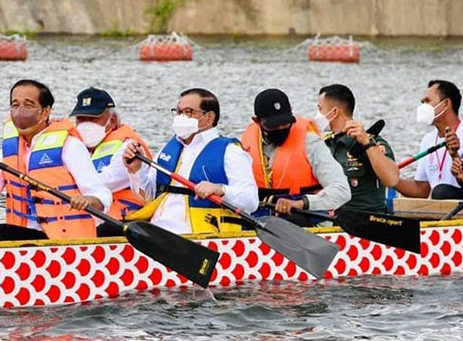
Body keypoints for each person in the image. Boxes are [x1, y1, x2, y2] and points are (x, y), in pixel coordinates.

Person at [0, 79, 112, 242]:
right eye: (15, 105)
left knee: (1, 233)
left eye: (28, 105)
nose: (20, 111)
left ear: (45, 112)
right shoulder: (10, 149)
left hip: (60, 241)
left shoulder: (69, 146)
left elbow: (102, 195)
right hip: (21, 236)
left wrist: (87, 200)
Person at [122, 88, 258, 235]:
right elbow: (148, 195)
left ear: (209, 117)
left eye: (189, 112)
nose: (181, 117)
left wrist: (220, 189)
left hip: (201, 237)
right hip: (158, 231)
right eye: (179, 112)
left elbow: (251, 201)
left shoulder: (231, 152)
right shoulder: (169, 149)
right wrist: (136, 170)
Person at [240, 88, 350, 219]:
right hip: (258, 216)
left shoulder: (310, 141)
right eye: (273, 125)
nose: (280, 128)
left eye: (285, 123)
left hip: (305, 217)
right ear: (257, 121)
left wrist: (301, 203)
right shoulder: (245, 143)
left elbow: (342, 190)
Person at [69, 87, 151, 228]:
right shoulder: (77, 148)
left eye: (93, 119)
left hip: (122, 223)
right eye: (81, 119)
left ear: (112, 121)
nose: (85, 125)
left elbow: (103, 182)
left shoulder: (129, 147)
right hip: (90, 220)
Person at [396, 80, 463, 200]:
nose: (423, 106)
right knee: (439, 192)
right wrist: (391, 178)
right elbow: (421, 190)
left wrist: (454, 155)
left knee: (441, 191)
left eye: (427, 101)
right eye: (422, 102)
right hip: (440, 204)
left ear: (446, 104)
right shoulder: (427, 140)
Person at [316, 84, 398, 213]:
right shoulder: (324, 144)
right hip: (331, 219)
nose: (317, 115)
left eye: (320, 109)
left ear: (335, 112)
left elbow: (392, 179)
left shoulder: (373, 141)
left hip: (366, 220)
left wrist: (367, 143)